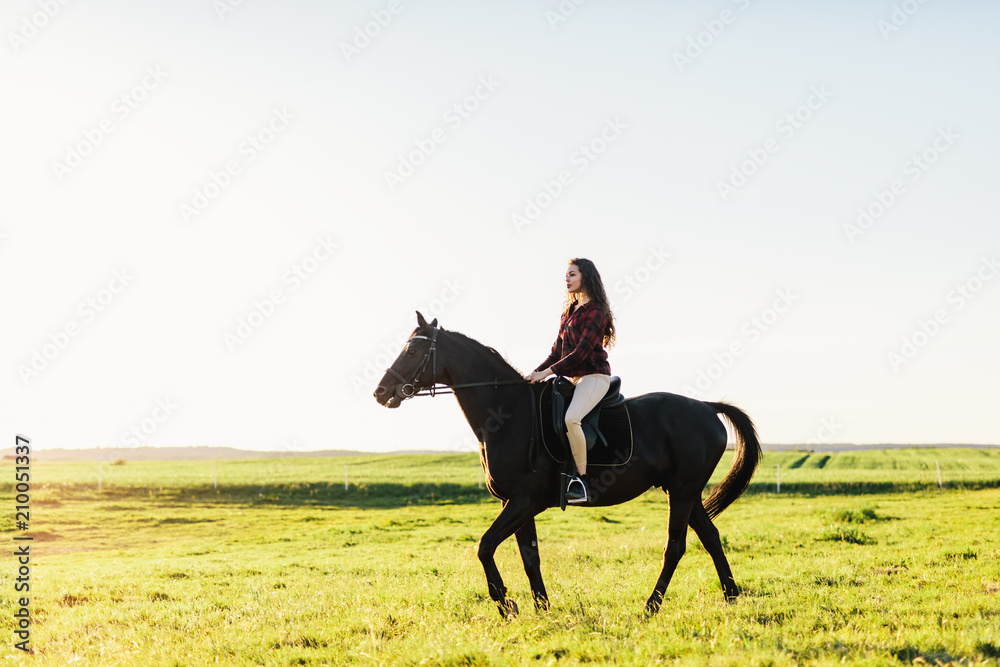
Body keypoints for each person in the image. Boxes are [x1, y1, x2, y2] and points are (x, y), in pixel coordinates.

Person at [524, 258, 616, 504]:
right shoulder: (569, 311)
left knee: (571, 418)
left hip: (594, 376)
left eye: (572, 274)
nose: (567, 279)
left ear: (585, 277)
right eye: (566, 275)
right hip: (574, 379)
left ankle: (581, 481)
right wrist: (534, 373)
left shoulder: (597, 311)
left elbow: (582, 352)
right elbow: (556, 352)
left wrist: (547, 373)